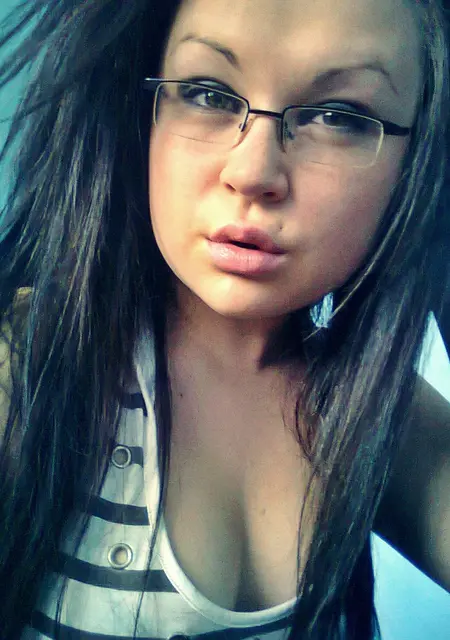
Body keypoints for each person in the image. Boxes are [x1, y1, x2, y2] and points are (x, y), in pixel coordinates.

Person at [0, 0, 449, 637]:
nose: (252, 172)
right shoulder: (32, 363)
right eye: (207, 93)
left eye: (339, 115)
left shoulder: (372, 413)